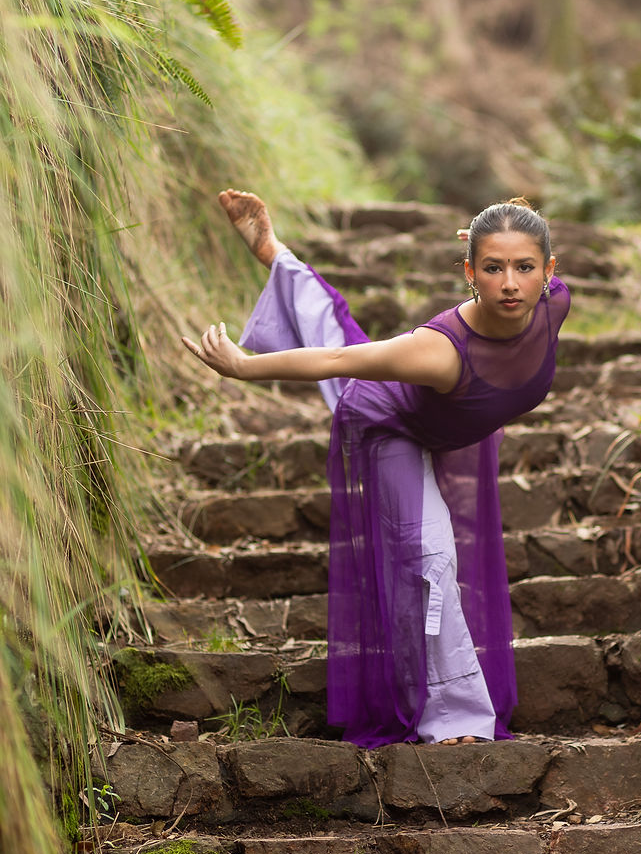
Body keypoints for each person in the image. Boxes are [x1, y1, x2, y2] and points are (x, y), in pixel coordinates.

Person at [182, 189, 570, 748]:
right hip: (394, 428)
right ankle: (453, 715)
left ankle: (279, 259)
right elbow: (339, 360)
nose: (510, 283)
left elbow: (519, 252)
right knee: (430, 555)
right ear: (469, 272)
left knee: (350, 340)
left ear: (548, 270)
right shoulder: (438, 350)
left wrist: (498, 223)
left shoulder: (556, 301)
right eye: (492, 267)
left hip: (448, 420)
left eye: (524, 267)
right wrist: (244, 367)